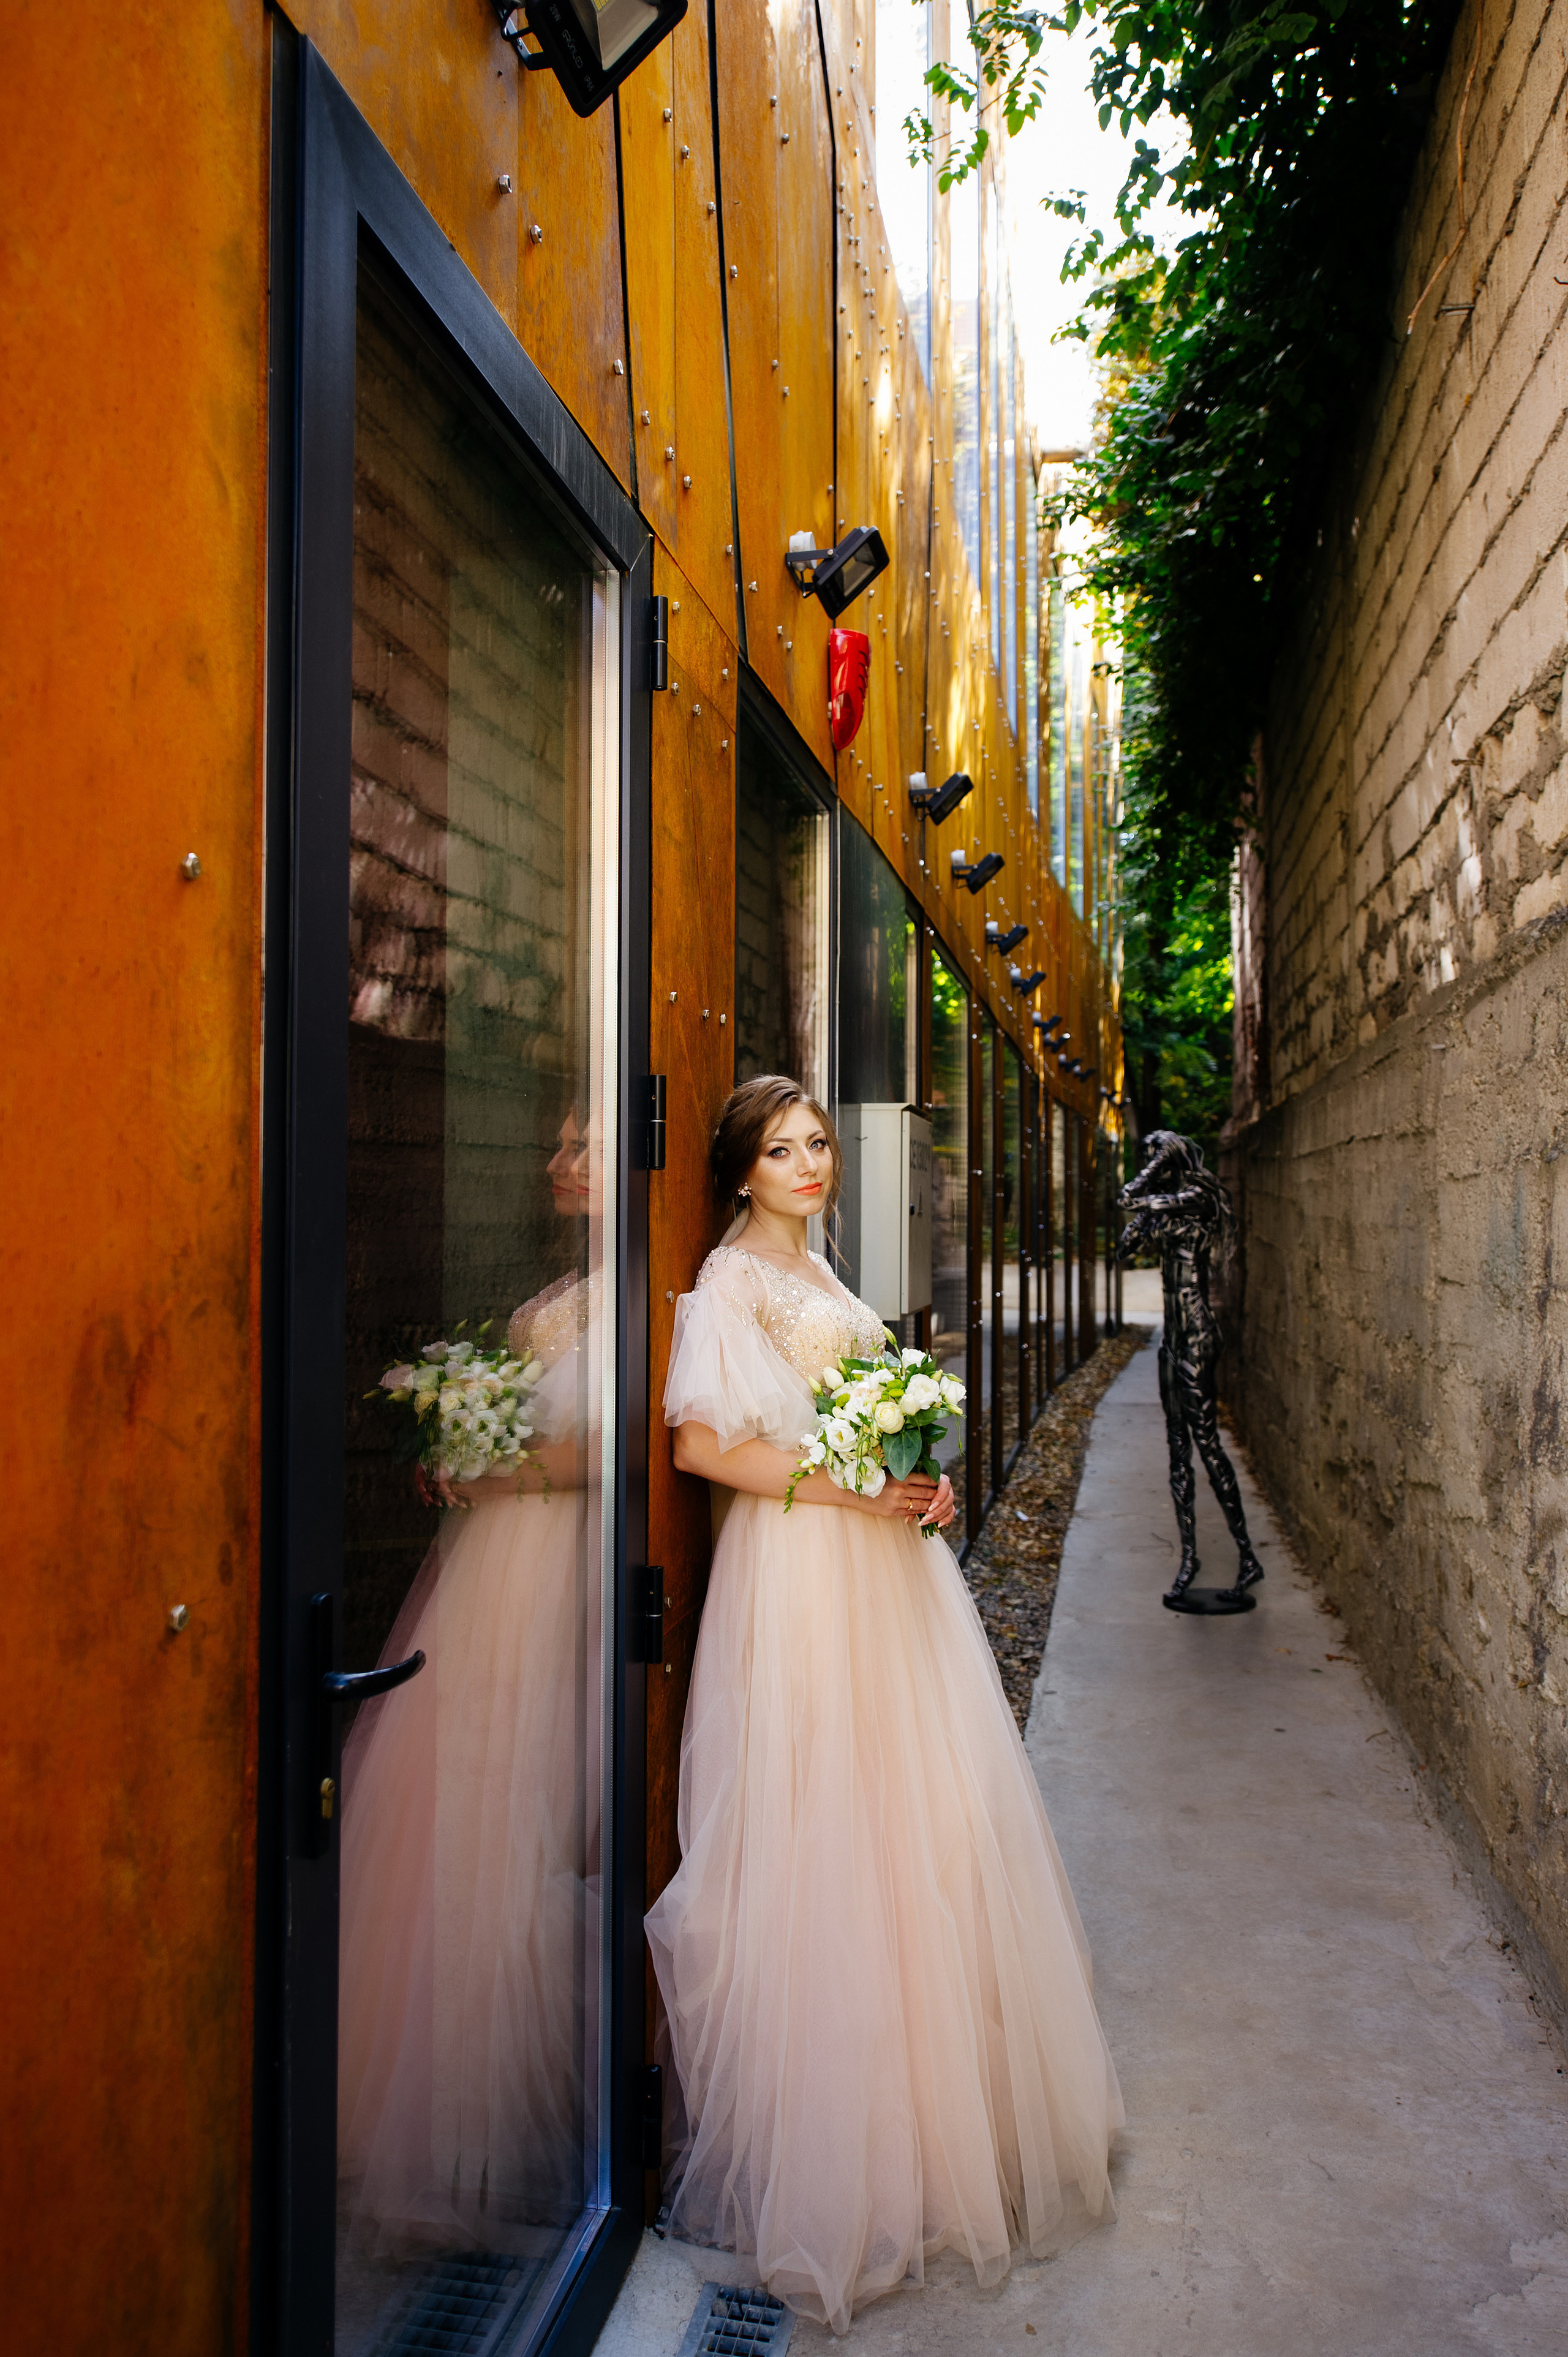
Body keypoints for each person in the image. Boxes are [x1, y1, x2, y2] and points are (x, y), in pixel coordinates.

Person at [646, 1075, 1123, 2336]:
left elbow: (858, 1424)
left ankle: (927, 2128)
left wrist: (920, 1480)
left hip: (879, 1572)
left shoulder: (826, 1272)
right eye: (779, 1147)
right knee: (821, 1831)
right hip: (800, 1576)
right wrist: (864, 1488)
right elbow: (704, 1447)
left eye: (815, 1144)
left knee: (915, 1828)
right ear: (738, 1168)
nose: (808, 1162)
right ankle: (830, 2160)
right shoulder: (728, 1282)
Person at [335, 1112, 606, 2295]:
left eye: (582, 1147)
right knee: (460, 1796)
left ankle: (521, 2120)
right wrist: (460, 1446)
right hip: (493, 1571)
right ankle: (439, 2111)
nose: (558, 1164)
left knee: (543, 1810)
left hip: (568, 1569)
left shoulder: (659, 1295)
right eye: (552, 1146)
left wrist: (487, 1470)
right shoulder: (551, 1300)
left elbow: (610, 1450)